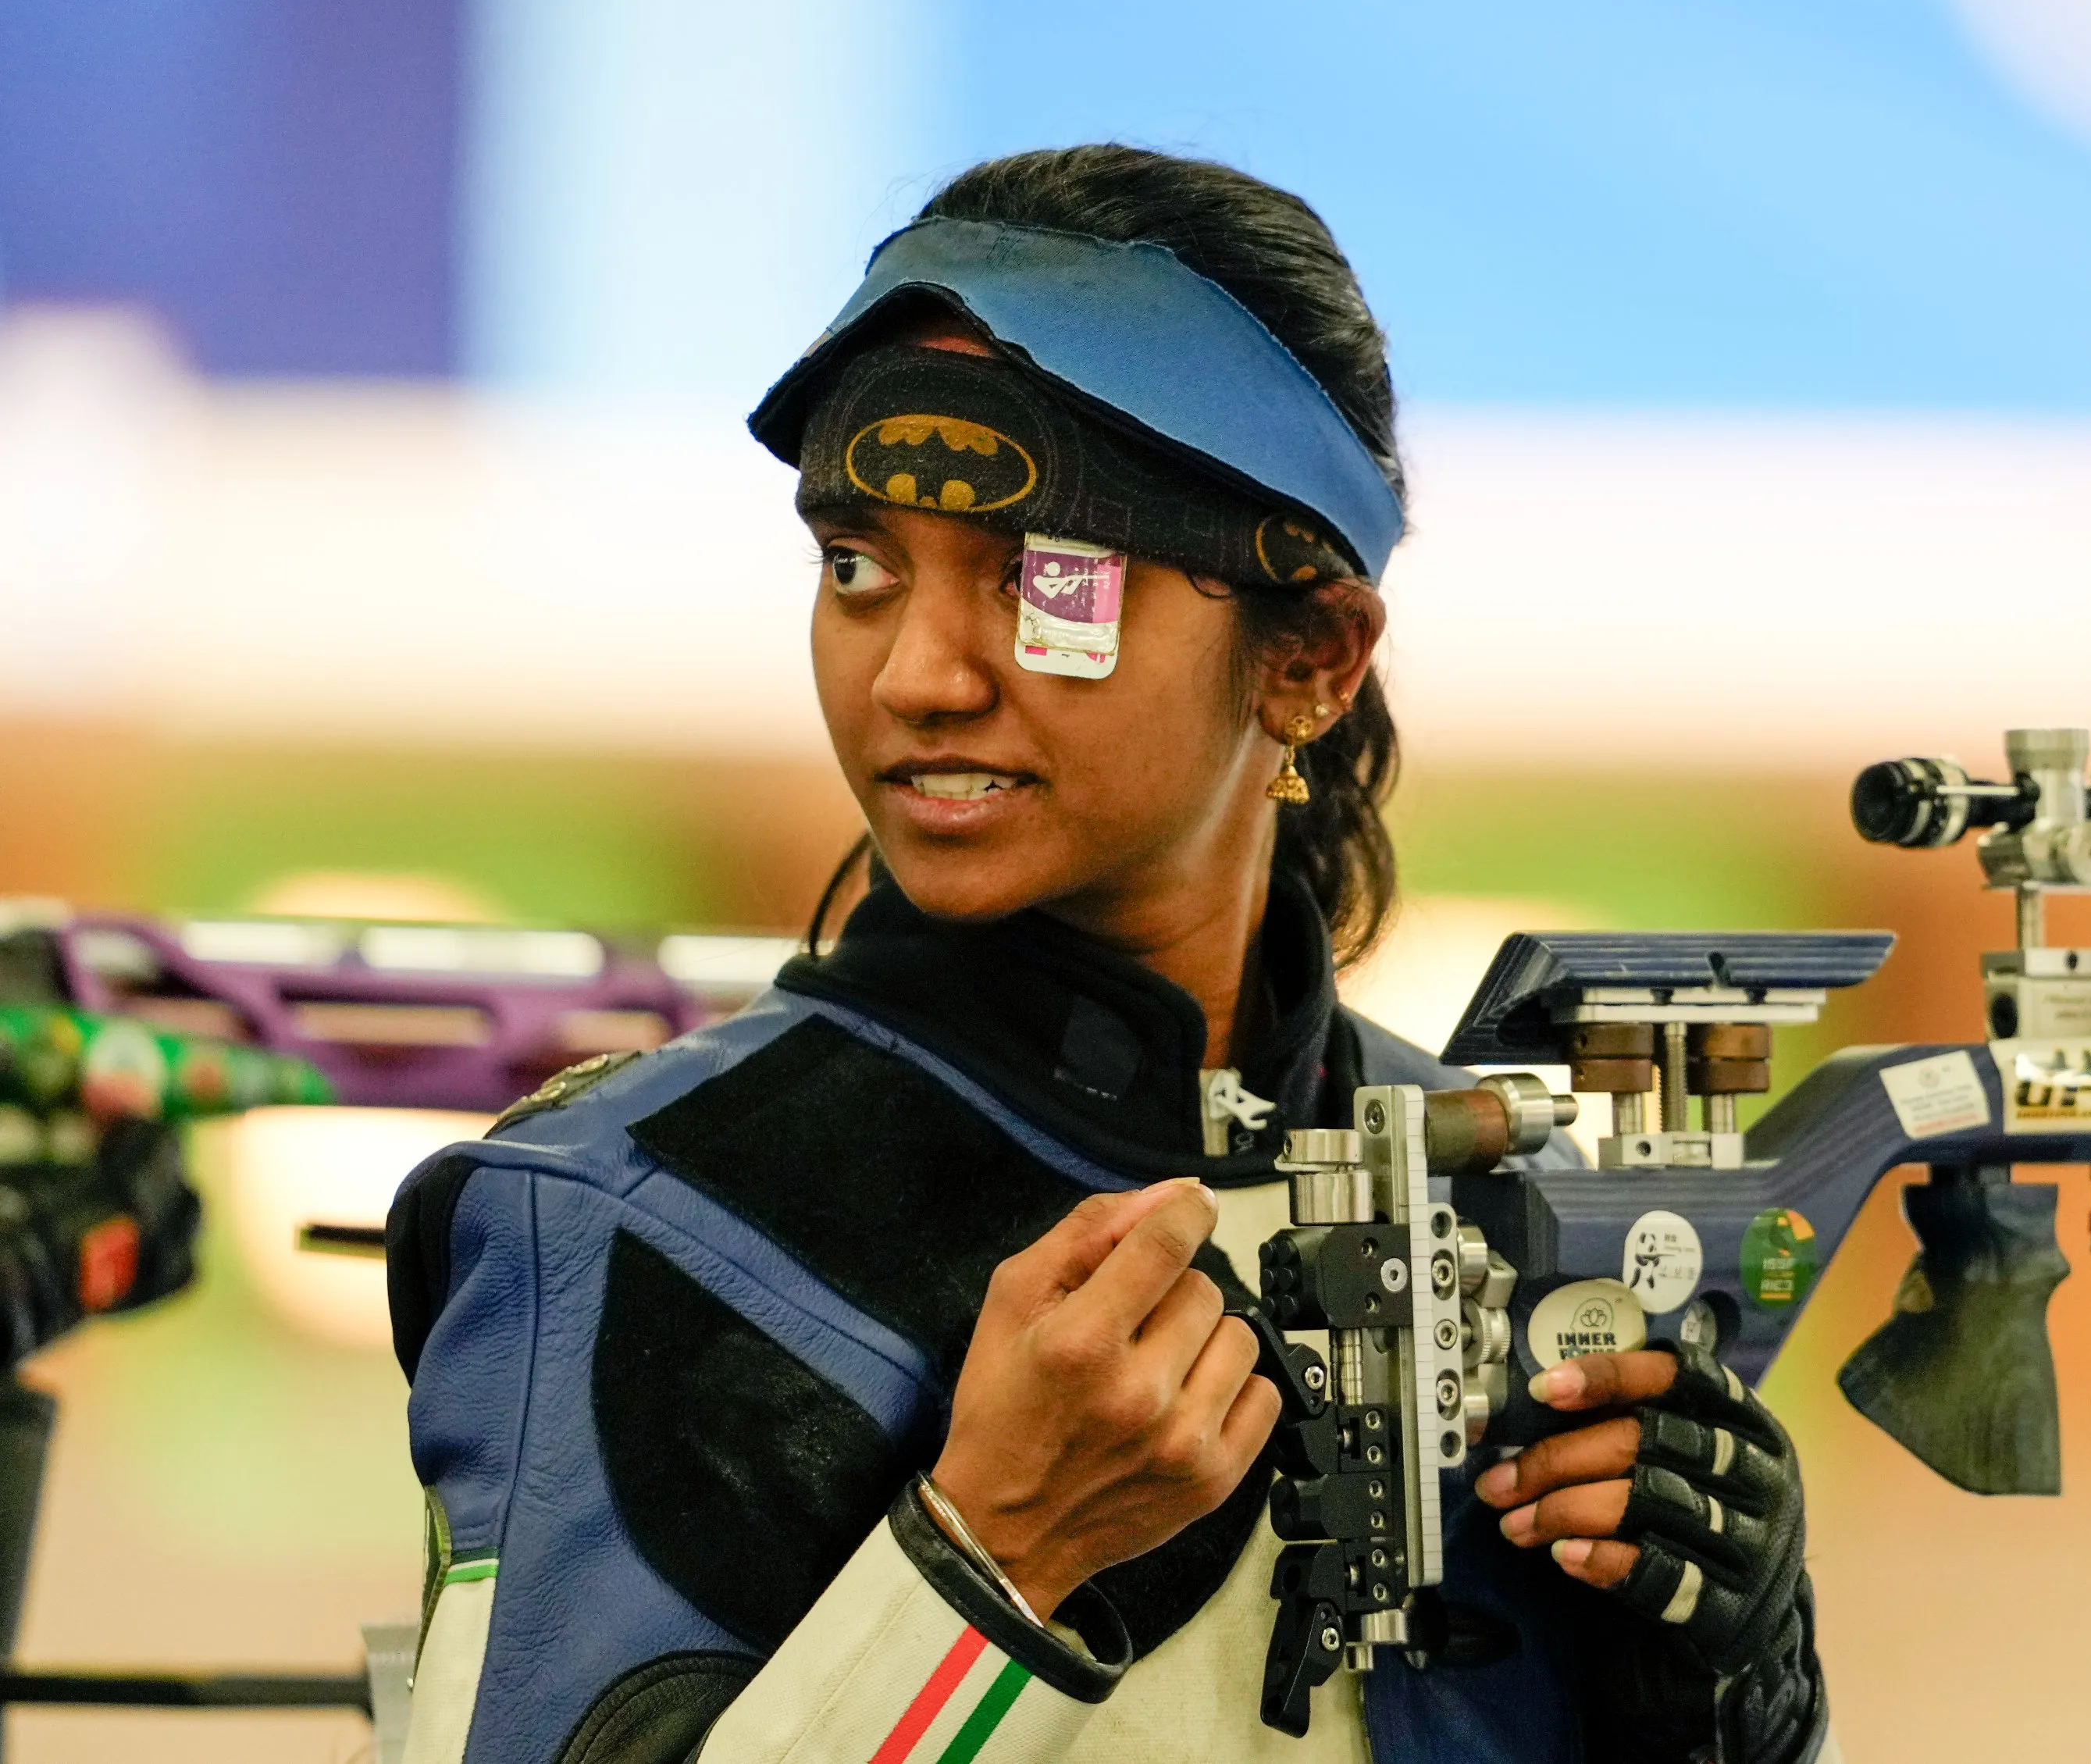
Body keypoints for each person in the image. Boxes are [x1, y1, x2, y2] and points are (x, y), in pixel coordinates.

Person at [386, 146, 1832, 1764]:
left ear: (1308, 660)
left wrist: (1734, 1691)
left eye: (1040, 580)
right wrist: (988, 1567)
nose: (917, 674)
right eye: (854, 567)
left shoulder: (1525, 1218)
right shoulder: (628, 1212)